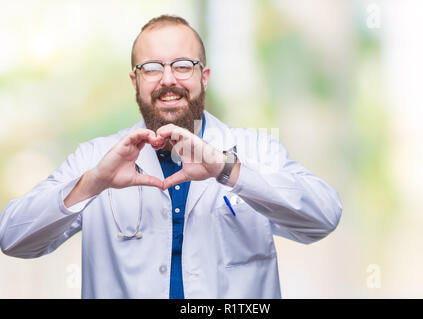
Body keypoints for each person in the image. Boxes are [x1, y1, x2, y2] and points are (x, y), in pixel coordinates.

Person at [0, 15, 342, 299]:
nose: (168, 80)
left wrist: (227, 170)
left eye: (182, 65)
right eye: (151, 68)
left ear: (203, 77)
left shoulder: (254, 150)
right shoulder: (94, 158)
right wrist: (93, 183)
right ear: (135, 81)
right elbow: (13, 238)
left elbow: (323, 217)